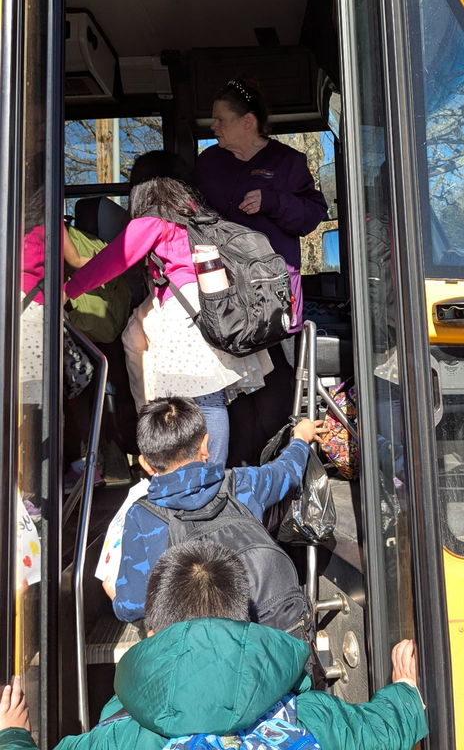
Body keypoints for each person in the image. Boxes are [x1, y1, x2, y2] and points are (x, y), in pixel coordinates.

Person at [0, 541, 428, 750]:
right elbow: (379, 732)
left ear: (152, 631)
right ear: (244, 623)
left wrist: (13, 735)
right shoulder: (311, 717)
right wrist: (407, 692)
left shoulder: (118, 739)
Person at [64, 151, 273, 466]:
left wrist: (68, 290)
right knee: (209, 400)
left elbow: (112, 261)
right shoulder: (193, 214)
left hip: (184, 314)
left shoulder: (153, 220)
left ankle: (203, 473)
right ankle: (204, 471)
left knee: (202, 401)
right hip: (211, 305)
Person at [193, 79, 328, 465]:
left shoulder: (288, 162)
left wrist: (273, 201)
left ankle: (276, 470)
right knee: (231, 389)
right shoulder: (208, 163)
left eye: (221, 120)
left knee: (275, 391)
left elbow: (313, 215)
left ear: (247, 122)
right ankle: (237, 472)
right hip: (223, 299)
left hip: (274, 299)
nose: (214, 127)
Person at [104, 395, 325, 627]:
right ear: (205, 445)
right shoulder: (242, 483)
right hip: (258, 623)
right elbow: (287, 472)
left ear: (145, 464)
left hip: (192, 641)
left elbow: (135, 605)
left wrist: (117, 599)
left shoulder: (141, 515)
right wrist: (300, 438)